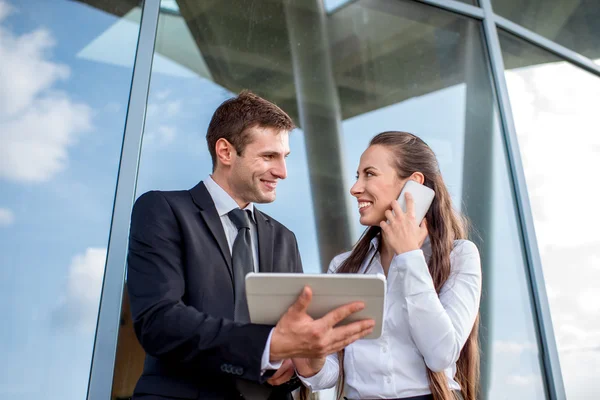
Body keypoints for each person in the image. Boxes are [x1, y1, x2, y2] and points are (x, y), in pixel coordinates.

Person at [126, 91, 375, 400]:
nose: (282, 172)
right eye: (269, 156)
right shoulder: (163, 210)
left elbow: (287, 357)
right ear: (226, 152)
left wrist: (295, 361)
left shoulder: (284, 239)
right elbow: (159, 322)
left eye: (284, 157)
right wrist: (268, 347)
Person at [293, 131, 482, 400]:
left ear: (413, 185)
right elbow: (329, 374)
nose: (355, 188)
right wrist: (308, 359)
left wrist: (409, 257)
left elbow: (441, 354)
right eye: (357, 176)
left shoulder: (460, 256)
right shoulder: (344, 267)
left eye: (369, 174)